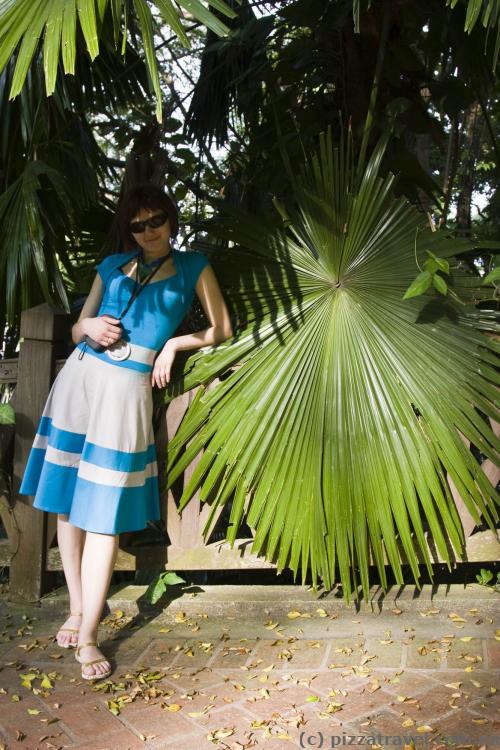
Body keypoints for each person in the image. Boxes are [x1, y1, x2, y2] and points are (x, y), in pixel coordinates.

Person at [19, 183, 233, 680]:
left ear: (171, 219)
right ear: (128, 228)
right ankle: (78, 607)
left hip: (126, 389)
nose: (149, 231)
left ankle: (90, 634)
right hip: (80, 378)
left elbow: (221, 328)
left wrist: (174, 344)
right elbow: (77, 326)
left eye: (156, 220)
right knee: (68, 500)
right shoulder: (112, 266)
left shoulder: (193, 267)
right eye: (138, 224)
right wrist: (87, 329)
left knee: (104, 508)